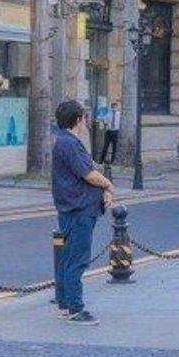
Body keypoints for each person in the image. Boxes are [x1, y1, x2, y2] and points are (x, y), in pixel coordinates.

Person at [51, 100, 114, 325]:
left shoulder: (63, 141)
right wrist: (108, 185)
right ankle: (75, 309)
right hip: (79, 211)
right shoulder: (69, 143)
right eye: (84, 118)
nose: (86, 121)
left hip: (73, 208)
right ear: (78, 120)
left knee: (68, 259)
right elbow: (89, 174)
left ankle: (65, 303)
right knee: (77, 260)